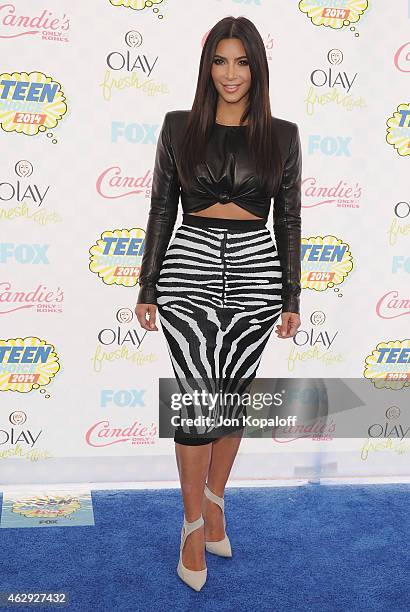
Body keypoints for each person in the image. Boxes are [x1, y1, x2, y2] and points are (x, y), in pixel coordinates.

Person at [135, 15, 302, 591]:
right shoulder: (178, 126)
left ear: (256, 67)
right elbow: (161, 208)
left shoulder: (282, 135)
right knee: (196, 401)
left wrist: (291, 295)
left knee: (233, 400)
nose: (231, 74)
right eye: (220, 61)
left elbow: (290, 220)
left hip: (258, 271)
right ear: (208, 67)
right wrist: (147, 284)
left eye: (242, 61)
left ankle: (214, 503)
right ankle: (188, 527)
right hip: (189, 269)